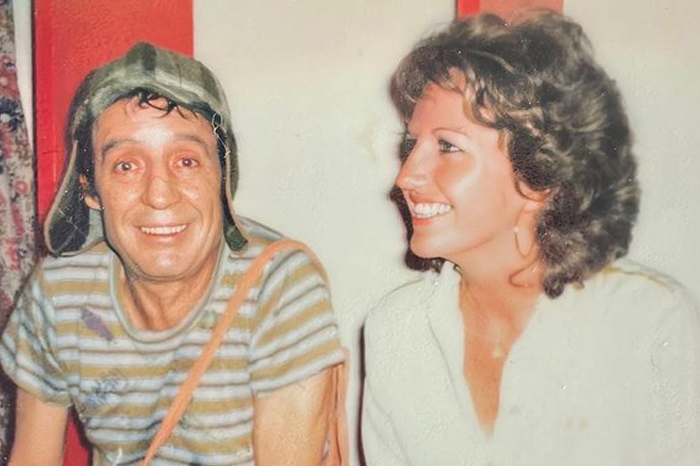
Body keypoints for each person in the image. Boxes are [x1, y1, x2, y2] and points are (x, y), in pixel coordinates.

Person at [362, 11, 700, 466]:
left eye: (447, 147)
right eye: (411, 144)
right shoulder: (397, 331)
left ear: (540, 176)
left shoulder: (647, 322)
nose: (406, 177)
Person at [0, 43, 344, 466]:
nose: (159, 195)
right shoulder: (58, 295)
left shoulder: (279, 284)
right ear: (90, 188)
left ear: (221, 173)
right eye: (127, 165)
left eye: (186, 162)